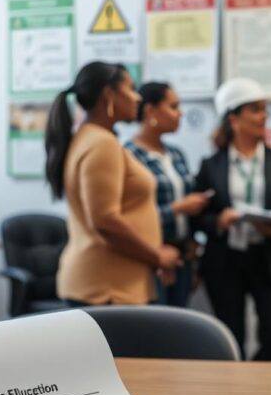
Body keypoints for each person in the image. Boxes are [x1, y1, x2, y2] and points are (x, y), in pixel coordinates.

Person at [44, 61, 180, 306]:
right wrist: (156, 256)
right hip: (106, 289)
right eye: (130, 88)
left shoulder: (91, 139)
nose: (137, 98)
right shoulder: (101, 144)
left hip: (111, 284)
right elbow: (105, 221)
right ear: (109, 95)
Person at [193, 78, 271, 361]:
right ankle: (236, 393)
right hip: (226, 260)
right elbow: (198, 218)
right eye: (256, 110)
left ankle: (257, 383)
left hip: (269, 257)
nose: (264, 117)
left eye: (265, 110)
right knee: (230, 340)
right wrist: (218, 221)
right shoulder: (210, 165)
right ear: (234, 118)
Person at [126, 82, 210, 307]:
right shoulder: (129, 156)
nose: (180, 113)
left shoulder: (176, 154)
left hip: (182, 256)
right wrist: (177, 209)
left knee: (178, 330)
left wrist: (192, 242)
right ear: (151, 111)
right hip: (152, 256)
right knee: (156, 334)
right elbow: (130, 216)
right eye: (173, 106)